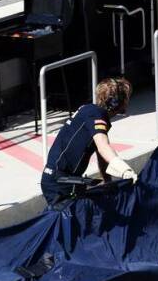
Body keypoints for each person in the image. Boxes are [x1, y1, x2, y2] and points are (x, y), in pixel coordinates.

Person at [40, 77, 138, 206]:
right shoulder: (96, 115)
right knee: (69, 222)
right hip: (60, 182)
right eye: (126, 98)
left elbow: (100, 152)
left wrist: (107, 181)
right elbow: (104, 147)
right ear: (117, 102)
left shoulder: (91, 111)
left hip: (63, 179)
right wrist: (125, 170)